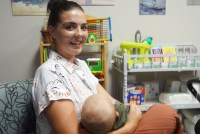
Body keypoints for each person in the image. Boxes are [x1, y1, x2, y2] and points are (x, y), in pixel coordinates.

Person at [32, 0, 183, 133]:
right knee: (167, 115)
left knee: (159, 110)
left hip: (112, 128)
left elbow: (112, 102)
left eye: (83, 27)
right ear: (52, 31)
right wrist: (130, 125)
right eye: (70, 27)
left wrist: (130, 111)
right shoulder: (49, 72)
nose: (80, 34)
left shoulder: (81, 66)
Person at [81, 94, 184, 134]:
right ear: (117, 114)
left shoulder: (89, 126)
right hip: (132, 125)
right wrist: (131, 123)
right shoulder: (119, 114)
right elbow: (127, 108)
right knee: (164, 111)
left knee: (162, 111)